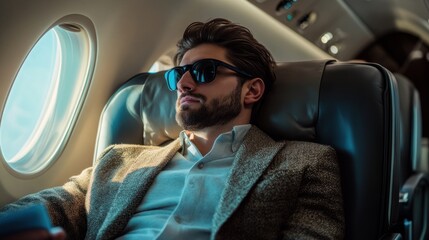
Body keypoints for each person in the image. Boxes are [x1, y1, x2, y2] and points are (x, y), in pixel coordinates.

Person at [0, 18, 344, 239]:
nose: (186, 83)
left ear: (251, 90)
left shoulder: (305, 163)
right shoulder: (119, 161)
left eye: (206, 71)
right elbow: (52, 204)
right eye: (179, 74)